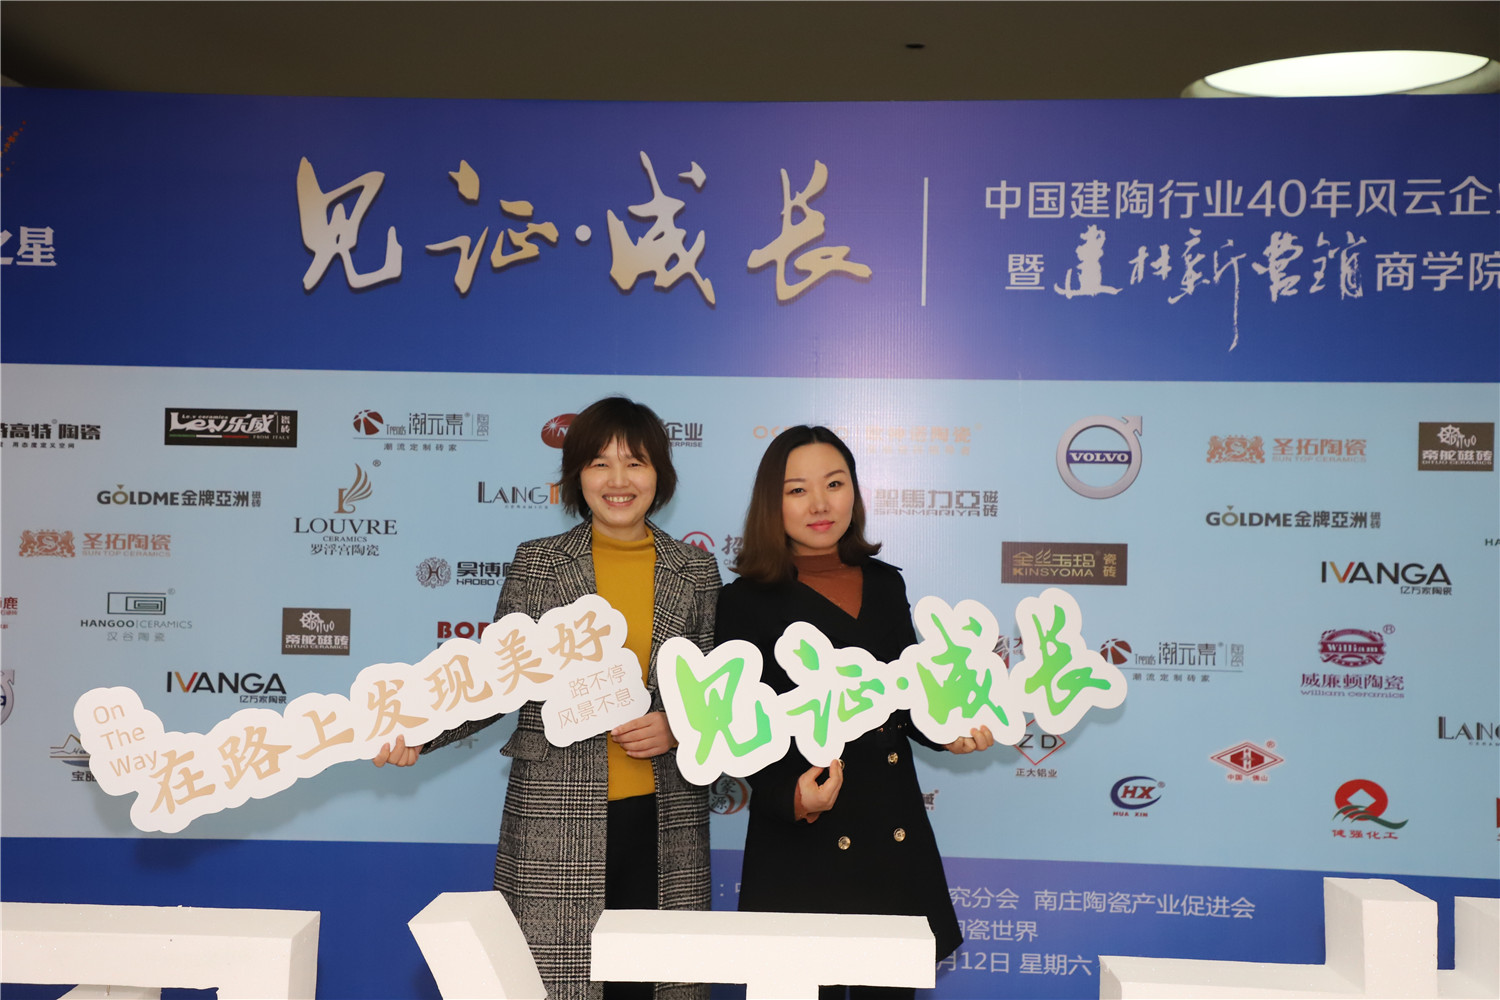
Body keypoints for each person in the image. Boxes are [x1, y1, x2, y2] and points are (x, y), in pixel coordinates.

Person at [374, 396, 721, 1000]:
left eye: (635, 462)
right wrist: (420, 730)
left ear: (659, 474)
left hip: (665, 818)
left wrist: (680, 726)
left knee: (657, 984)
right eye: (599, 463)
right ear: (576, 476)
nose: (618, 480)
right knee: (557, 985)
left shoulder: (696, 572)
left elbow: (718, 696)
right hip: (555, 815)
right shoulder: (538, 564)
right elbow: (495, 681)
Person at [715, 425, 994, 1000]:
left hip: (888, 834)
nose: (820, 504)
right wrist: (791, 797)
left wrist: (948, 732)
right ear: (771, 503)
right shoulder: (742, 602)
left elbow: (906, 693)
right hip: (802, 839)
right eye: (797, 490)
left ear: (854, 493)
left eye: (834, 484)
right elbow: (734, 727)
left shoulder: (886, 584)